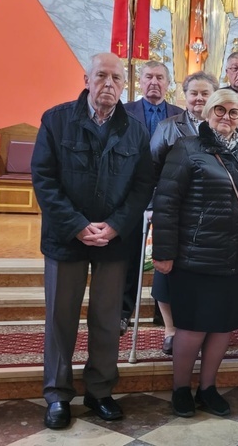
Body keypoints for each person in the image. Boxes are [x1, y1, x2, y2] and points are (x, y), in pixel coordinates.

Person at [31, 52, 155, 429]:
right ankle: (57, 395)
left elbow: (141, 186)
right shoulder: (56, 120)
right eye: (101, 76)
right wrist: (77, 225)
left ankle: (100, 390)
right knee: (61, 319)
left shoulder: (136, 130)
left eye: (116, 78)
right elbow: (44, 179)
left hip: (114, 243)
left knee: (105, 319)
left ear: (123, 85)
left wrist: (115, 226)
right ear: (86, 79)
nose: (109, 84)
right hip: (66, 238)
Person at [152, 89, 238, 418]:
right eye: (220, 110)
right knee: (191, 327)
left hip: (236, 257)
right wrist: (164, 252)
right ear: (207, 112)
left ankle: (208, 387)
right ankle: (180, 389)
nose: (226, 117)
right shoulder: (187, 148)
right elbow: (167, 202)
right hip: (194, 255)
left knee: (222, 326)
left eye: (234, 113)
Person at [149, 71, 219, 355]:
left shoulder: (222, 127)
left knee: (201, 278)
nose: (199, 99)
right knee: (166, 273)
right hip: (173, 210)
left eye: (205, 93)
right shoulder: (167, 127)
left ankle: (200, 328)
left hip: (211, 214)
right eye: (194, 93)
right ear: (185, 96)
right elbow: (152, 166)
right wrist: (154, 206)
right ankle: (170, 329)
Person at [120, 60, 184, 335]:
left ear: (168, 84)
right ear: (140, 82)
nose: (154, 82)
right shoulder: (123, 112)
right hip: (132, 194)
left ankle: (163, 313)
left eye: (160, 77)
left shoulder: (180, 115)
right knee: (130, 254)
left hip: (170, 197)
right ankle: (123, 312)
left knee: (167, 254)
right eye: (149, 77)